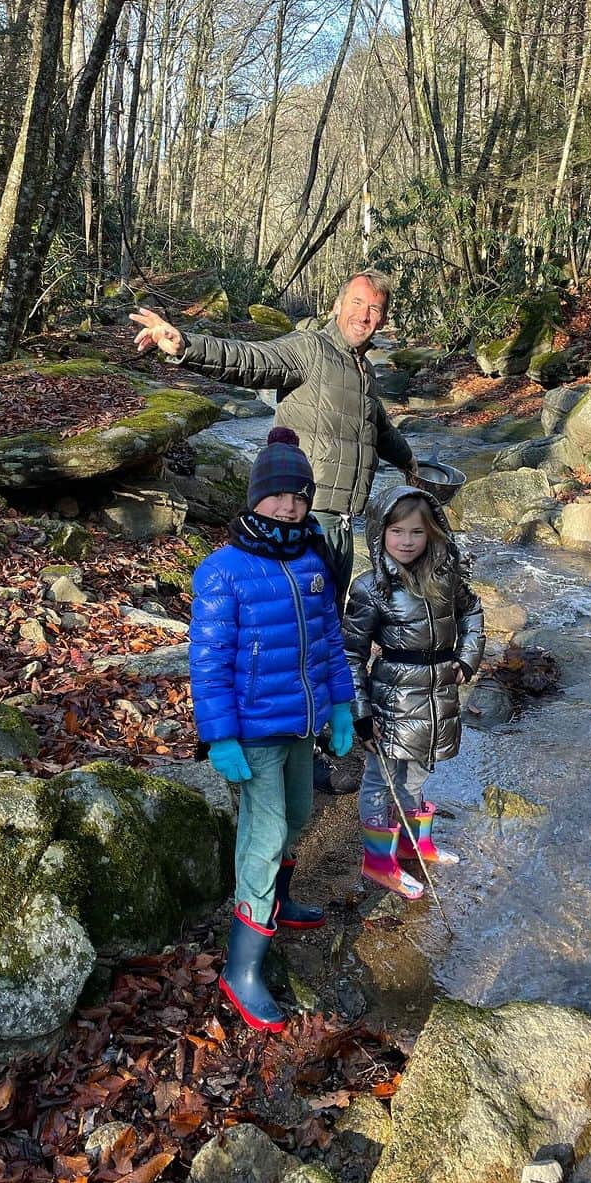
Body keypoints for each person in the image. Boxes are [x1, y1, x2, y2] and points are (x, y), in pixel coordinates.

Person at [189, 427, 355, 1032]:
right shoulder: (222, 571)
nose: (289, 506)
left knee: (300, 811)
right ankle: (243, 965)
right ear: (255, 497)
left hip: (300, 723)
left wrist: (342, 706)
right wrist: (220, 736)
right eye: (279, 495)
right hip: (253, 729)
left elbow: (330, 643)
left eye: (300, 496)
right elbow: (208, 663)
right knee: (265, 832)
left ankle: (278, 904)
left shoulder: (312, 560)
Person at [131, 269, 419, 605]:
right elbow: (251, 360)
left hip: (342, 523)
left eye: (374, 308)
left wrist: (408, 460)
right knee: (294, 620)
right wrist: (186, 345)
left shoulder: (364, 370)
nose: (364, 314)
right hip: (302, 518)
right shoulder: (309, 348)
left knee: (327, 624)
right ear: (337, 306)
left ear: (382, 320)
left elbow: (379, 427)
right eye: (357, 302)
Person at [343, 484, 485, 899]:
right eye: (397, 532)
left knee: (420, 770)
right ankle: (378, 861)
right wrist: (361, 711)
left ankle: (412, 843)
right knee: (381, 778)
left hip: (440, 691)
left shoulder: (446, 576)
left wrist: (465, 660)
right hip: (392, 695)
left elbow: (473, 612)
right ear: (380, 533)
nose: (407, 541)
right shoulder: (371, 588)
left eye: (416, 532)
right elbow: (350, 653)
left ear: (433, 533)